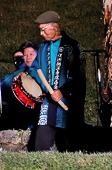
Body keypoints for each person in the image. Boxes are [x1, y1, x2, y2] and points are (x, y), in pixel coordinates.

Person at [28, 11, 86, 152]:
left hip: (68, 100)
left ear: (53, 27)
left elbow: (78, 76)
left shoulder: (72, 47)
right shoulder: (43, 48)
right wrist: (45, 88)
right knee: (42, 136)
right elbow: (35, 68)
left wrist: (63, 91)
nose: (41, 34)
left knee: (67, 139)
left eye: (43, 29)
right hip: (50, 99)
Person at [0, 41, 41, 132]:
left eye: (31, 54)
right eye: (25, 55)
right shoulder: (15, 75)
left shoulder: (40, 71)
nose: (27, 58)